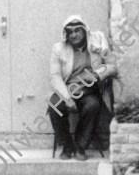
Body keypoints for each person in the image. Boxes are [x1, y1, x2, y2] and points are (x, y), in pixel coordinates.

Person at [47, 14, 118, 160]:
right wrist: (67, 98)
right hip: (67, 89)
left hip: (88, 89)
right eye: (70, 32)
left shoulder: (97, 42)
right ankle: (67, 145)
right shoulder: (58, 48)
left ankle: (80, 146)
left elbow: (112, 66)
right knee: (55, 107)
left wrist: (97, 75)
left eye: (77, 31)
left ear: (85, 31)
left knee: (92, 106)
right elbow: (55, 76)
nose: (74, 35)